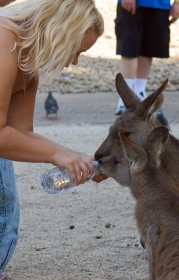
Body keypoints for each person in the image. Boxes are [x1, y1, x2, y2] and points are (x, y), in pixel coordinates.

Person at [0, 1, 104, 279]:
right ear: (62, 31)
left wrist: (73, 156)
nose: (74, 62)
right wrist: (58, 155)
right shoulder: (5, 38)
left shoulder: (27, 58)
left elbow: (20, 132)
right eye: (77, 51)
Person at [114, 0, 179, 129]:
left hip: (160, 4)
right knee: (129, 46)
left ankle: (139, 91)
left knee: (149, 47)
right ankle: (125, 97)